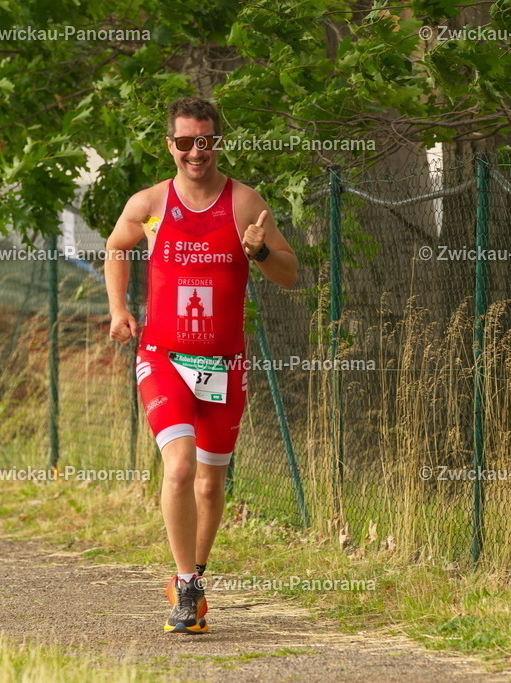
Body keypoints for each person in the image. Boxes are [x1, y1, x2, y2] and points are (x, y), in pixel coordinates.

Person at [105, 96, 298, 634]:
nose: (196, 152)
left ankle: (196, 577)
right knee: (180, 467)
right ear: (171, 145)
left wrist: (260, 253)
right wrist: (119, 309)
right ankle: (186, 584)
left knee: (211, 487)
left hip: (224, 363)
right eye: (186, 142)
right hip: (164, 357)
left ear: (218, 142)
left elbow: (290, 273)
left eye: (206, 141)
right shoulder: (149, 203)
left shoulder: (243, 202)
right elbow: (116, 246)